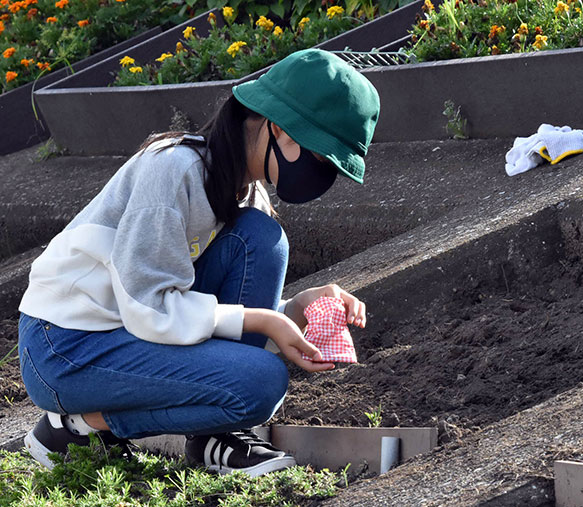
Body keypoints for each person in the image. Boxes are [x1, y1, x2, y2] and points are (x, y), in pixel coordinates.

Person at [16, 49, 380, 476]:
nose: (323, 175)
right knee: (260, 383)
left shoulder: (246, 193)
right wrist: (264, 321)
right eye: (322, 158)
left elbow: (197, 310)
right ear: (279, 129)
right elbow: (149, 307)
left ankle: (214, 437)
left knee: (263, 240)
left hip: (124, 327)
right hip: (64, 344)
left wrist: (295, 309)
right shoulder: (173, 170)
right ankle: (75, 428)